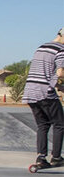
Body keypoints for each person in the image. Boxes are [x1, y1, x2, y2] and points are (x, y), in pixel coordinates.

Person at [22, 28, 64, 169]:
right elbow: (60, 73)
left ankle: (41, 157)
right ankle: (57, 157)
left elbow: (43, 72)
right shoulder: (60, 50)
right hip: (45, 92)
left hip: (30, 91)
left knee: (43, 125)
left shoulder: (41, 48)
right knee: (59, 124)